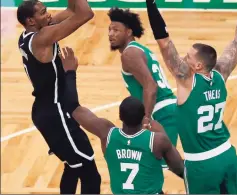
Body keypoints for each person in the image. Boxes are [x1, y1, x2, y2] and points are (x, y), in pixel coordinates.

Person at [143, 0, 237, 194]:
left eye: (188, 57)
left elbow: (164, 42)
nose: (183, 59)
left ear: (198, 66)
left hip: (201, 164)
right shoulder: (221, 73)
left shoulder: (187, 79)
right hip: (227, 155)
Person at [17, 0, 101, 194]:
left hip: (47, 110)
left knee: (72, 167)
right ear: (31, 21)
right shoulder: (43, 38)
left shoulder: (32, 35)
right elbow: (86, 14)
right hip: (55, 114)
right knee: (90, 173)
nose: (49, 14)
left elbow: (72, 8)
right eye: (43, 12)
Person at [60, 46, 184, 194]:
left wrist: (69, 72)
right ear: (143, 115)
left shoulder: (107, 134)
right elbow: (181, 170)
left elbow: (73, 107)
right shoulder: (157, 140)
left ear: (120, 117)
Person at [107, 7, 178, 169]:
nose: (111, 34)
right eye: (109, 30)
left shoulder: (129, 54)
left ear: (129, 32)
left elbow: (150, 86)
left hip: (161, 113)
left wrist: (145, 119)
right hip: (167, 110)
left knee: (162, 166)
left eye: (116, 30)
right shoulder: (139, 50)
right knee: (164, 165)